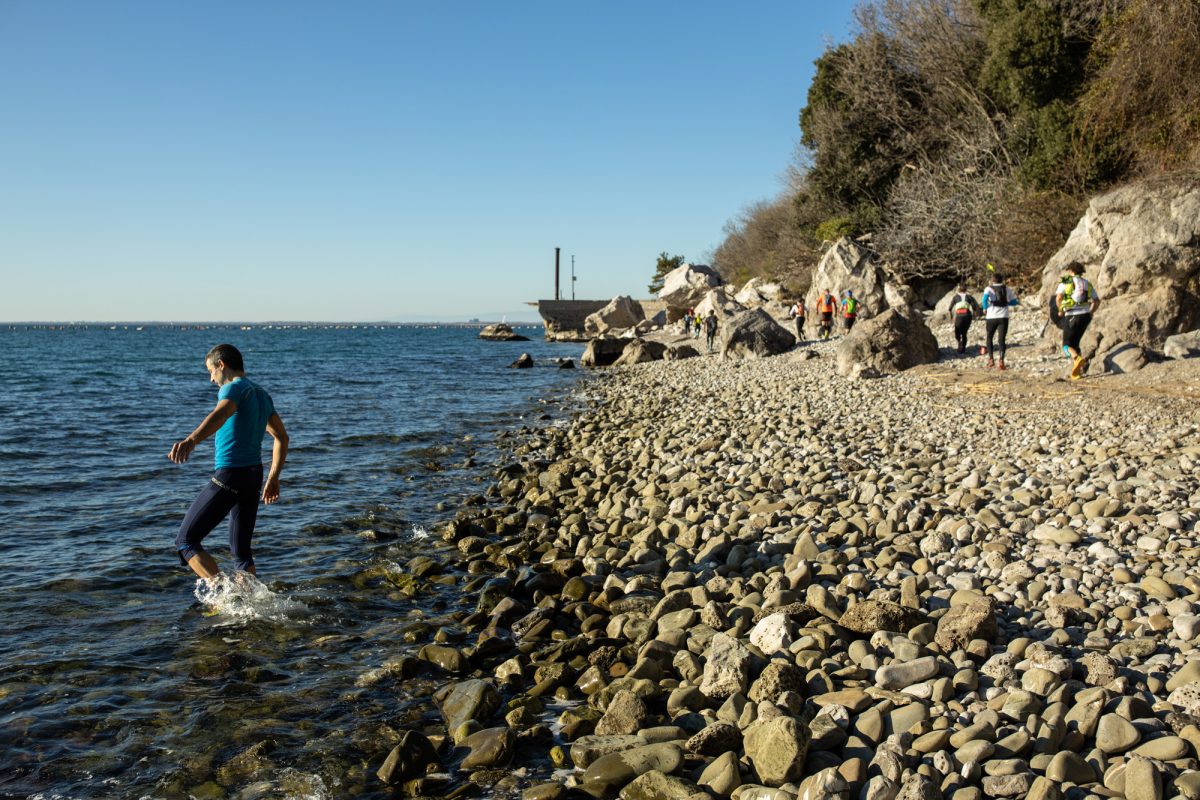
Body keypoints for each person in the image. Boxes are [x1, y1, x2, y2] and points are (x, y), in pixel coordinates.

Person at [169, 344, 289, 580]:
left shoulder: (234, 388)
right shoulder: (261, 394)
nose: (211, 379)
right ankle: (249, 598)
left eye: (211, 371)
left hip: (231, 475)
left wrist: (191, 440)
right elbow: (282, 437)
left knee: (186, 540)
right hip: (254, 476)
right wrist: (273, 477)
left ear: (221, 365)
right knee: (241, 553)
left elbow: (221, 414)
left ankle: (222, 592)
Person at [1056, 262, 1101, 379]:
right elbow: (1097, 301)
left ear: (1071, 271)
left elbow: (1059, 297)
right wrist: (1091, 312)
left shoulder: (1066, 282)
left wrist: (1060, 310)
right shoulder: (1087, 283)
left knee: (1066, 345)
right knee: (1075, 344)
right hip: (1085, 316)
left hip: (1072, 315)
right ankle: (1078, 372)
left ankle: (1077, 359)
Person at [981, 273, 1019, 370]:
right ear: (1002, 280)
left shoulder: (988, 289)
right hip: (1003, 317)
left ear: (992, 280)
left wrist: (985, 308)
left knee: (989, 337)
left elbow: (984, 300)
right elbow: (1014, 302)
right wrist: (1007, 302)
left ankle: (991, 359)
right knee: (1001, 339)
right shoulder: (1007, 289)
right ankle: (1001, 360)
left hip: (991, 317)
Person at [949, 282, 983, 354]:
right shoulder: (969, 297)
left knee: (957, 332)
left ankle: (959, 342)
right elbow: (975, 307)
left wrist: (951, 317)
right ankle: (963, 348)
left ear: (959, 289)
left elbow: (950, 308)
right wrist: (976, 315)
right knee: (964, 333)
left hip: (959, 316)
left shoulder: (955, 297)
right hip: (968, 316)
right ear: (966, 289)